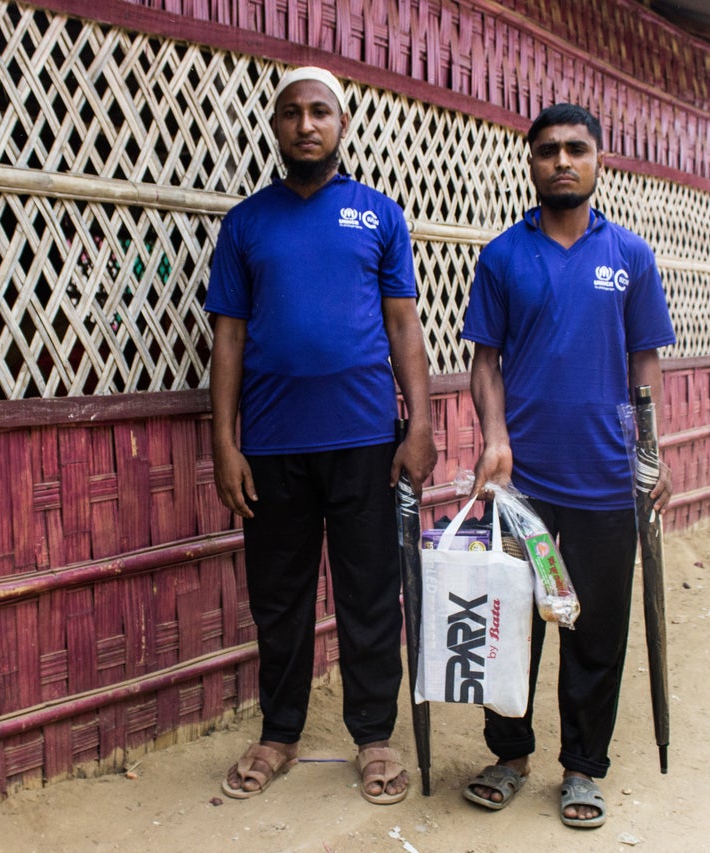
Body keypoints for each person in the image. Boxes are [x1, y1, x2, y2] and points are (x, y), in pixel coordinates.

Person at [204, 66, 437, 805]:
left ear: (342, 124)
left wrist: (421, 422)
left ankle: (374, 737)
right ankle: (280, 731)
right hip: (271, 443)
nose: (306, 124)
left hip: (367, 437)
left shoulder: (377, 215)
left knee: (371, 592)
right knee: (280, 597)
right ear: (276, 127)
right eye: (292, 113)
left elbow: (404, 323)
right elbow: (229, 338)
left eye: (320, 112)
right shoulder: (247, 222)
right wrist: (224, 440)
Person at [459, 103, 675, 828]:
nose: (561, 160)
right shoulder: (503, 257)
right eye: (548, 149)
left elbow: (644, 360)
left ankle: (583, 767)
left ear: (598, 158)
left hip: (606, 480)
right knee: (509, 626)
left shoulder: (630, 257)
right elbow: (484, 360)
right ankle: (509, 754)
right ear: (531, 161)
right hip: (521, 485)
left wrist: (651, 453)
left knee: (596, 632)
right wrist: (494, 437)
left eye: (575, 148)